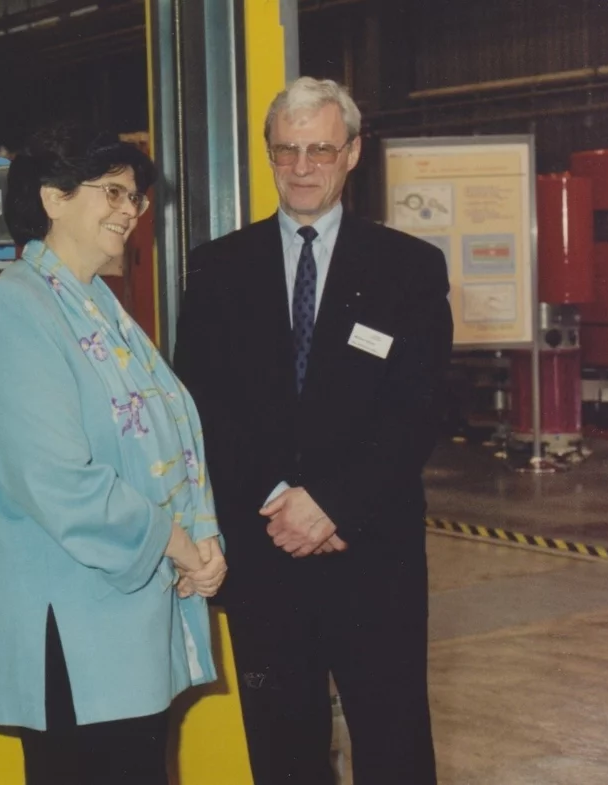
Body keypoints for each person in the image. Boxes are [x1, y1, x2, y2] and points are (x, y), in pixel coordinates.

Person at [173, 76, 452, 785]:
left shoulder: (409, 268)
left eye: (320, 150)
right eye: (286, 150)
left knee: (393, 745)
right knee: (283, 752)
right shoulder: (216, 268)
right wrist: (277, 497)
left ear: (353, 153)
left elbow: (418, 407)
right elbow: (200, 403)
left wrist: (330, 502)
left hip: (373, 551)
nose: (301, 168)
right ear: (268, 152)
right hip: (266, 554)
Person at [0, 123, 227, 785]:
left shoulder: (100, 310)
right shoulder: (12, 311)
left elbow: (171, 434)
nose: (129, 211)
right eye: (112, 192)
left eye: (133, 197)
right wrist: (180, 544)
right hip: (70, 633)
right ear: (52, 198)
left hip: (124, 617)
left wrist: (203, 539)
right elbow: (59, 481)